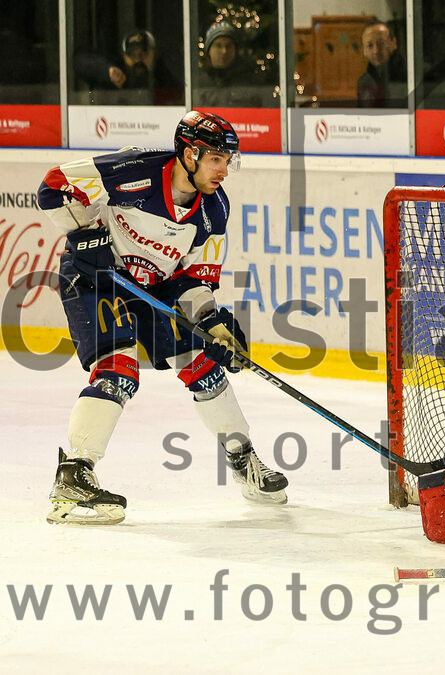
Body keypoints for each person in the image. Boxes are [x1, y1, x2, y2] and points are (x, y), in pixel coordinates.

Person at [37, 111, 288, 525]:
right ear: (189, 154)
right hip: (97, 279)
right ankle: (73, 477)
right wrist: (84, 234)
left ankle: (243, 460)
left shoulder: (214, 211)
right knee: (117, 371)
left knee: (205, 367)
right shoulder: (134, 171)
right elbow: (54, 186)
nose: (224, 171)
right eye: (216, 160)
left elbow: (195, 276)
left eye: (229, 161)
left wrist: (213, 323)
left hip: (154, 287)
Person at [73, 29, 183, 106]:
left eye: (143, 54)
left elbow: (179, 97)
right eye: (132, 55)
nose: (138, 60)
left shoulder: (163, 77)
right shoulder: (117, 74)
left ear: (154, 54)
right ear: (124, 57)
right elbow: (79, 62)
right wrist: (107, 71)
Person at [194, 21, 274, 107]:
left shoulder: (251, 81)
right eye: (218, 45)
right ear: (209, 50)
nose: (224, 51)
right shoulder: (198, 84)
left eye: (229, 46)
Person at [357, 20, 407, 108]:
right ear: (364, 50)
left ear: (394, 43)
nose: (376, 51)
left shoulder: (412, 74)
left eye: (381, 43)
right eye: (370, 45)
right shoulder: (363, 82)